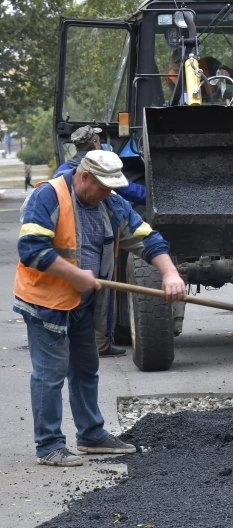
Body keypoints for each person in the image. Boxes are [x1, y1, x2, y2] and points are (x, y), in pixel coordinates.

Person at [14, 150, 187, 467]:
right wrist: (76, 275)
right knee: (50, 375)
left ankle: (91, 436)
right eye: (104, 187)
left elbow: (145, 237)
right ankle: (49, 445)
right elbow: (31, 250)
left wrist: (169, 273)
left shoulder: (109, 202)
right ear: (84, 178)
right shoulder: (48, 196)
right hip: (45, 301)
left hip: (83, 303)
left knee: (85, 369)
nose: (109, 194)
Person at [56, 125, 147, 358]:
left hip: (72, 245)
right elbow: (129, 190)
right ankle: (100, 345)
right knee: (100, 296)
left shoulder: (63, 171)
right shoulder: (99, 168)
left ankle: (80, 344)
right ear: (95, 142)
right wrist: (153, 194)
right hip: (96, 241)